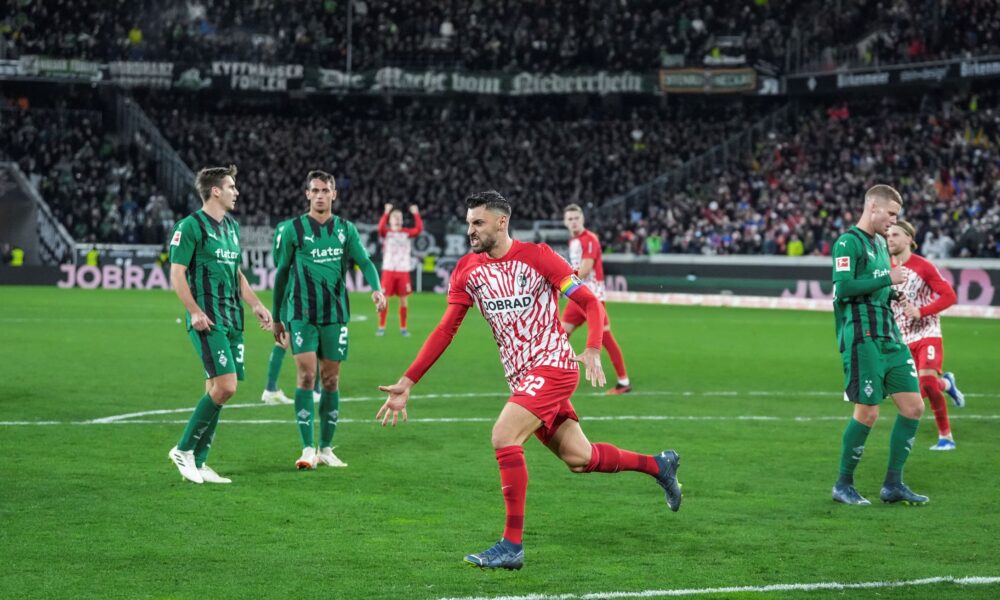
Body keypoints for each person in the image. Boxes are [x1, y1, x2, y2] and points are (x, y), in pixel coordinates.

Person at [376, 191, 682, 570]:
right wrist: (408, 381)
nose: (470, 230)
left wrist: (591, 347)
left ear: (501, 222)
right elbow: (445, 331)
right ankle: (659, 465)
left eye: (478, 222)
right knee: (580, 458)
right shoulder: (467, 271)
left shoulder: (539, 257)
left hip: (554, 366)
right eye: (469, 222)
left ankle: (512, 546)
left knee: (503, 435)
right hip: (522, 378)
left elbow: (590, 302)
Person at [272, 170, 387, 470]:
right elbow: (282, 273)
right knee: (306, 376)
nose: (320, 195)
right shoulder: (294, 229)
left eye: (325, 190)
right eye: (315, 190)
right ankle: (307, 448)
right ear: (307, 194)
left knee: (331, 380)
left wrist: (376, 288)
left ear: (334, 194)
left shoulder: (346, 230)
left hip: (335, 315)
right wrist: (278, 317)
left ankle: (325, 448)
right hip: (301, 314)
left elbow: (365, 262)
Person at [167, 165, 273, 484]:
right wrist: (194, 311)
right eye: (231, 187)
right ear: (215, 191)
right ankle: (183, 449)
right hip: (208, 320)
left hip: (232, 320)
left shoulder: (231, 227)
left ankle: (199, 462)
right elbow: (176, 273)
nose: (236, 192)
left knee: (215, 390)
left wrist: (256, 305)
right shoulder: (190, 226)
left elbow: (236, 273)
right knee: (227, 387)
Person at [830, 184, 927, 506]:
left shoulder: (882, 245)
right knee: (868, 411)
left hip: (890, 336)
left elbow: (876, 287)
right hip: (863, 337)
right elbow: (844, 288)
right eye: (891, 214)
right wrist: (888, 280)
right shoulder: (848, 243)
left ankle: (893, 485)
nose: (894, 221)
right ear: (873, 207)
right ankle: (843, 484)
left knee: (913, 406)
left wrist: (893, 293)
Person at [886, 220, 966, 450]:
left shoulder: (923, 266)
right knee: (912, 395)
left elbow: (949, 296)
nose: (890, 239)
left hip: (927, 331)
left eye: (895, 235)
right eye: (888, 235)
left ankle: (946, 437)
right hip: (903, 337)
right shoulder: (884, 268)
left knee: (928, 383)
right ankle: (947, 384)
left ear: (909, 238)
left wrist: (921, 312)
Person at [561, 204, 631, 394]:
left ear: (582, 219)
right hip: (577, 297)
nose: (574, 222)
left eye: (576, 218)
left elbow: (585, 269)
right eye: (570, 219)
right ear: (565, 222)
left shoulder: (589, 239)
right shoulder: (574, 241)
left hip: (593, 299)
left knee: (606, 339)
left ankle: (623, 382)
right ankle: (551, 374)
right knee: (559, 335)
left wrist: (561, 282)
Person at [376, 203, 423, 336]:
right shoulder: (387, 233)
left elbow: (418, 229)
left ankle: (403, 328)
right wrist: (386, 212)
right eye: (394, 217)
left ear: (402, 220)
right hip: (388, 270)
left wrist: (416, 213)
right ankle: (381, 327)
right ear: (390, 220)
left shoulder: (406, 233)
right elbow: (380, 228)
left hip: (403, 271)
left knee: (403, 300)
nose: (397, 219)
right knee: (384, 299)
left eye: (399, 217)